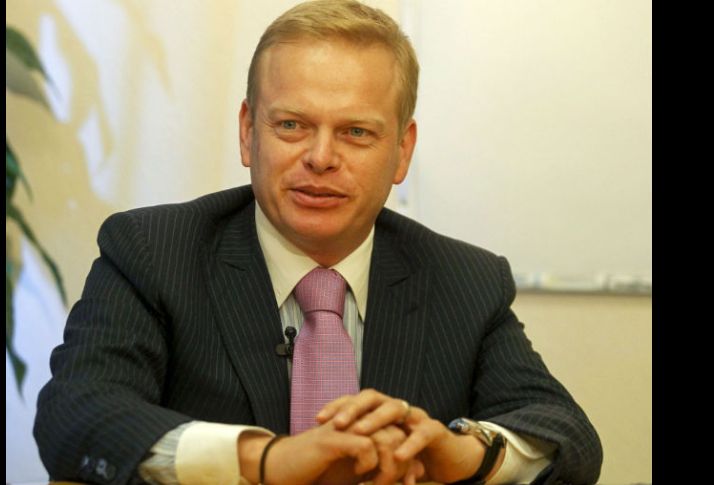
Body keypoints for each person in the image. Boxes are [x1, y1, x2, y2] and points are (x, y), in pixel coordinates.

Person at [34, 1, 602, 484]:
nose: (321, 157)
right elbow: (75, 415)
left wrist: (460, 454)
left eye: (356, 132)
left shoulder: (465, 280)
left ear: (402, 151)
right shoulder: (153, 251)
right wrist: (265, 460)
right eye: (292, 125)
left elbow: (566, 434)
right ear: (247, 132)